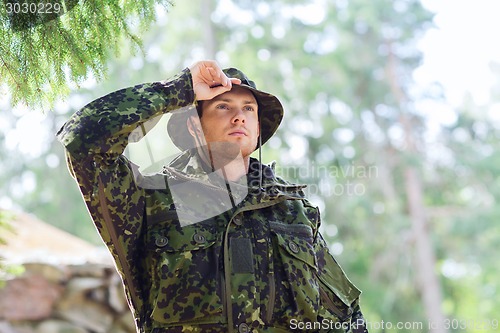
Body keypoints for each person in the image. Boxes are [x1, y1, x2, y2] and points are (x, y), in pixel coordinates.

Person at [57, 60, 369, 333]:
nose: (239, 117)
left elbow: (345, 316)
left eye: (248, 109)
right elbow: (83, 140)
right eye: (223, 106)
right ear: (194, 127)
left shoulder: (294, 212)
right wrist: (178, 90)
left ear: (258, 127)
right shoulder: (150, 200)